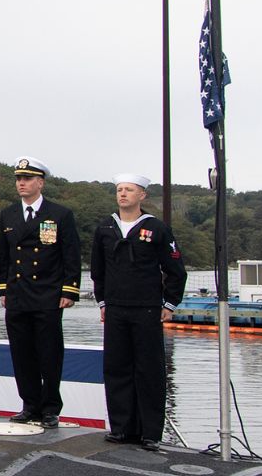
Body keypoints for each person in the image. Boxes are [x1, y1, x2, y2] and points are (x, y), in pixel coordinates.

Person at [92, 173, 184, 451]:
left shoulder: (156, 228)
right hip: (116, 308)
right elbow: (98, 270)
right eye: (119, 190)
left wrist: (169, 304)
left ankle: (150, 432)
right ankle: (121, 428)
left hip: (146, 308)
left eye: (129, 190)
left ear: (141, 195)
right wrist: (102, 302)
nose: (123, 194)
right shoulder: (106, 227)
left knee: (149, 370)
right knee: (117, 369)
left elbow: (175, 269)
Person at [0, 157, 81, 428]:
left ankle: (50, 408)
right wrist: (4, 288)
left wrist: (69, 290)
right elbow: (5, 257)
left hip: (47, 293)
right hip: (19, 294)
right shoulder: (8, 214)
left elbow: (71, 255)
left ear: (40, 182)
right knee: (22, 354)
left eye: (28, 179)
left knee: (49, 353)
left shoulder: (59, 214)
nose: (21, 183)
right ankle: (29, 404)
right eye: (19, 179)